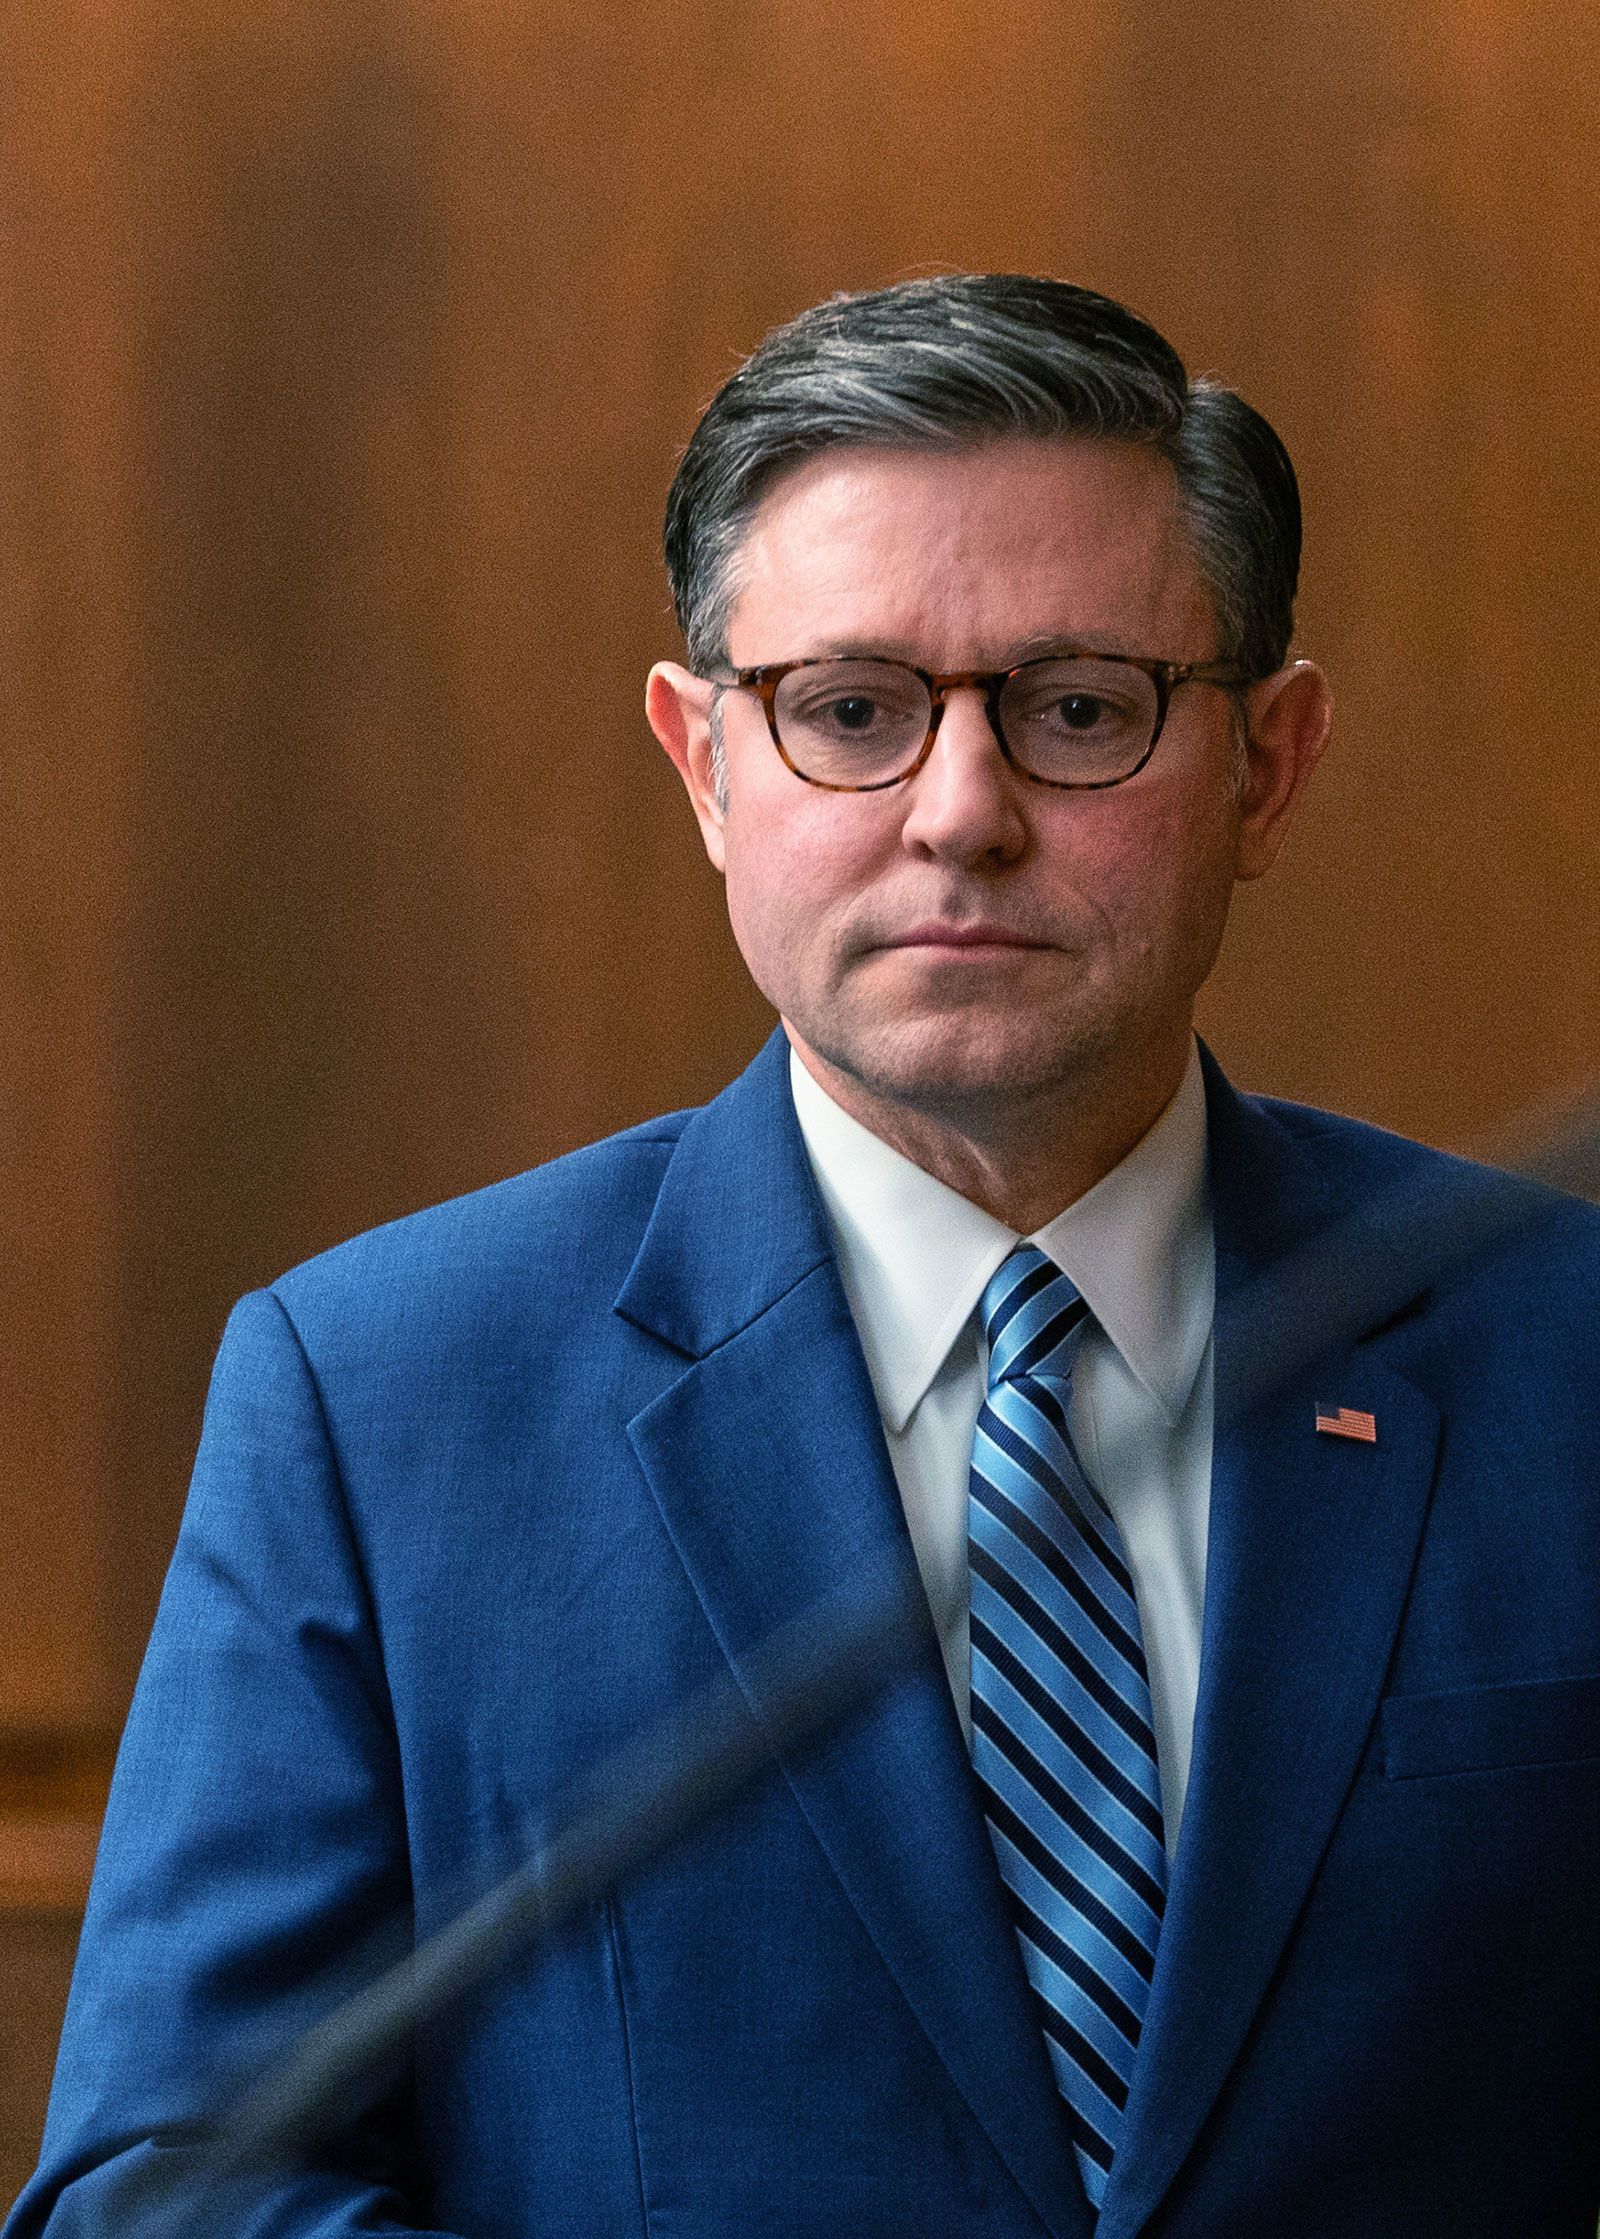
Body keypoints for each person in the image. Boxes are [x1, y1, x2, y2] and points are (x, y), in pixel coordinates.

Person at [10, 275, 1600, 2239]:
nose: (959, 815)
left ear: (1265, 765)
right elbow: (156, 2199)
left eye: (1077, 710)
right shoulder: (380, 1403)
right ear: (702, 762)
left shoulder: (1558, 1358)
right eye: (849, 712)